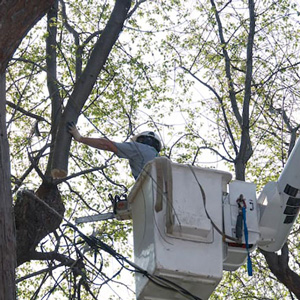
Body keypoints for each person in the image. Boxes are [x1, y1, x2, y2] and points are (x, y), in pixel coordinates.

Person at [68, 122, 162, 179]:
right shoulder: (160, 160)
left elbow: (107, 144)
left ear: (142, 140)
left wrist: (80, 138)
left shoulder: (138, 148)